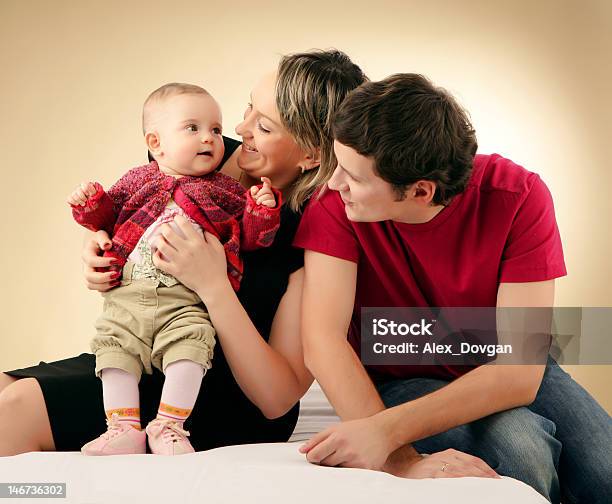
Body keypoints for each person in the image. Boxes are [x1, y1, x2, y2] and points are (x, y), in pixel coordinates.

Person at [0, 49, 368, 457]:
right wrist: (103, 249)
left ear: (311, 154)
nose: (240, 127)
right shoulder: (192, 153)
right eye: (248, 107)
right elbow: (128, 220)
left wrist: (213, 285)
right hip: (142, 348)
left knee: (13, 412)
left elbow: (277, 398)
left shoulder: (314, 229)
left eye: (263, 126)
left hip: (212, 391)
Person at [295, 74, 612, 503]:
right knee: (522, 453)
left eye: (352, 175)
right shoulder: (334, 207)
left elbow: (518, 371)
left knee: (605, 469)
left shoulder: (518, 194)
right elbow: (322, 341)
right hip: (403, 370)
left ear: (420, 191)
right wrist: (400, 459)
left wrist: (381, 433)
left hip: (506, 363)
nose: (334, 184)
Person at [66, 82, 280, 456]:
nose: (210, 138)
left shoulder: (226, 189)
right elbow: (108, 216)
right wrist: (90, 206)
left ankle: (169, 425)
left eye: (215, 129)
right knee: (114, 353)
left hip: (185, 303)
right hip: (127, 299)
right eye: (193, 128)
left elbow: (249, 237)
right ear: (156, 142)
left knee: (191, 350)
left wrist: (261, 210)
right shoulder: (137, 179)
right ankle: (122, 427)